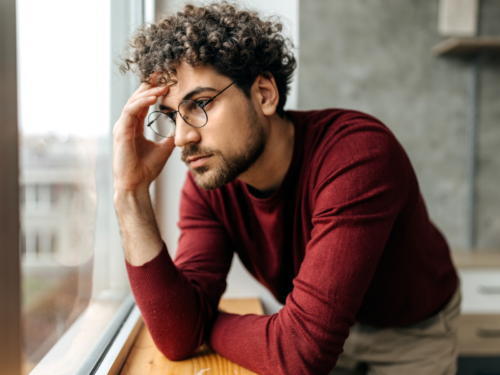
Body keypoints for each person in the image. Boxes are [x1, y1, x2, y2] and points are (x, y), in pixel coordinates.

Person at [113, 2, 460, 374]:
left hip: (410, 332)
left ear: (264, 93)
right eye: (169, 116)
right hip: (319, 329)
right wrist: (131, 194)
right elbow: (179, 337)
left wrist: (205, 324)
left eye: (199, 103)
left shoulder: (357, 155)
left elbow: (298, 355)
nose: (182, 137)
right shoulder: (211, 183)